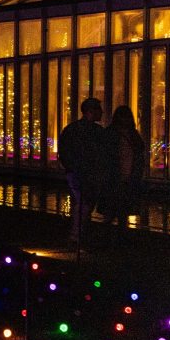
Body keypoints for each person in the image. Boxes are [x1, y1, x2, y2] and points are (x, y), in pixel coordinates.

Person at [58, 97, 106, 243]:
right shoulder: (96, 131)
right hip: (85, 172)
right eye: (99, 110)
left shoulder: (72, 129)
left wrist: (70, 168)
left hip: (76, 172)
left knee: (83, 202)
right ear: (91, 112)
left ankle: (78, 234)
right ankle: (77, 234)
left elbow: (64, 151)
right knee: (85, 203)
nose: (102, 113)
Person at [100, 105, 146, 226]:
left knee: (114, 212)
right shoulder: (132, 135)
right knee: (120, 212)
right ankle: (119, 238)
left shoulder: (111, 134)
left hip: (121, 178)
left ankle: (112, 238)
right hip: (122, 178)